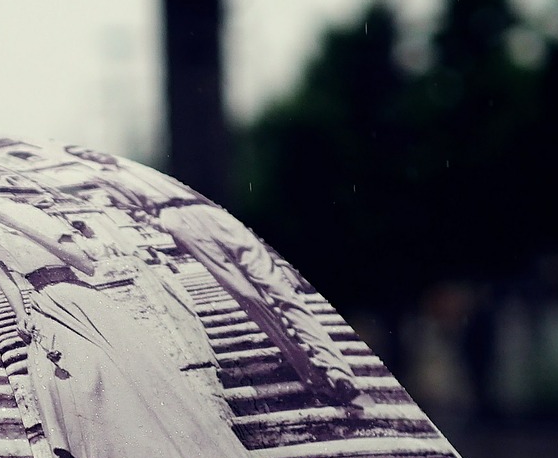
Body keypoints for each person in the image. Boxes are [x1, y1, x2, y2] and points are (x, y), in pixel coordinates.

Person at [0, 161, 249, 458]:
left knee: (110, 378)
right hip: (43, 307)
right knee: (58, 386)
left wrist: (18, 224)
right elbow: (4, 277)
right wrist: (20, 313)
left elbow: (84, 264)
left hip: (81, 301)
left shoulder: (19, 212)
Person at [61, 145, 362, 407]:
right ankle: (311, 373)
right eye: (82, 155)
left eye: (89, 151)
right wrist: (163, 223)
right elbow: (127, 212)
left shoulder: (147, 166)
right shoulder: (107, 181)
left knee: (280, 289)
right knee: (248, 296)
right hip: (179, 220)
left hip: (211, 212)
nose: (90, 155)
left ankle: (338, 371)